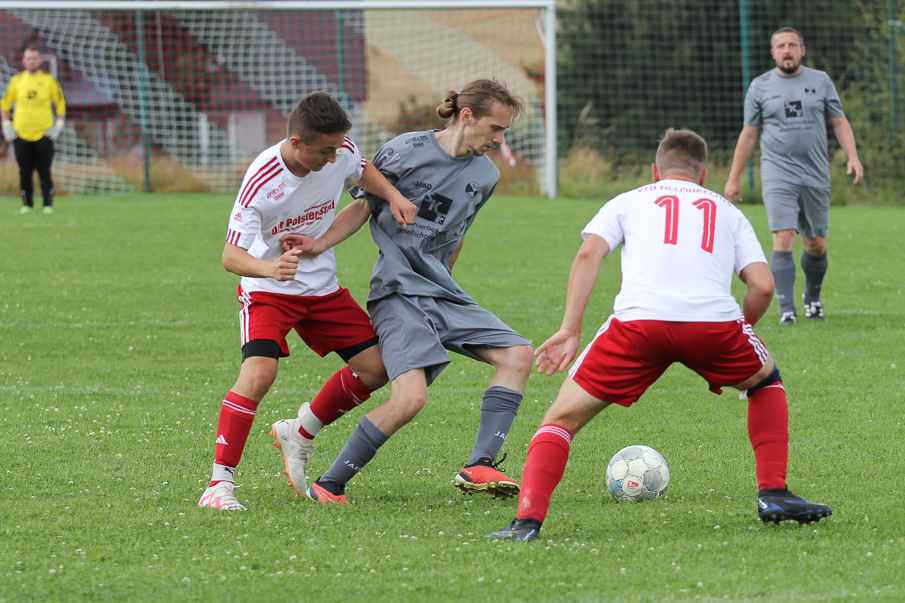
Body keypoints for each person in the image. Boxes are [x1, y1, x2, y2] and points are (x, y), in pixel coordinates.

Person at [488, 129, 832, 542]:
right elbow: (761, 286)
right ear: (703, 174)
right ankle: (773, 493)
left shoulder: (629, 200)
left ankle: (527, 523)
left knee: (561, 420)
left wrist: (569, 329)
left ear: (655, 171)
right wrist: (734, 336)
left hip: (637, 327)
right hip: (714, 325)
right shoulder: (728, 211)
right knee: (766, 382)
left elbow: (588, 254)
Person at [280, 79, 535, 504]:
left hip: (440, 291)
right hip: (398, 291)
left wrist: (446, 283)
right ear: (466, 116)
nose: (498, 139)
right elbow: (363, 204)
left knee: (518, 354)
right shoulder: (405, 150)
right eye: (495, 128)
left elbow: (458, 231)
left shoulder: (487, 175)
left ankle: (481, 464)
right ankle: (329, 485)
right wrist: (320, 243)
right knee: (410, 400)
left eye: (503, 132)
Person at [198, 91, 417, 511]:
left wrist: (392, 196)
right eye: (325, 151)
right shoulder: (262, 179)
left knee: (377, 368)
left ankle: (300, 431)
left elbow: (362, 171)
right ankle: (218, 485)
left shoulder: (341, 150)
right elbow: (230, 256)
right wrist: (270, 269)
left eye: (337, 148)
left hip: (321, 288)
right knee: (259, 374)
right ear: (297, 143)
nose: (334, 159)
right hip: (268, 291)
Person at [724, 27, 863, 325]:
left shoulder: (821, 81)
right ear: (773, 53)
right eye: (781, 46)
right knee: (783, 236)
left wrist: (853, 156)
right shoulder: (759, 86)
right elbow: (749, 135)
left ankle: (812, 299)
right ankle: (786, 308)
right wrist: (733, 177)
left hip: (815, 172)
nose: (787, 50)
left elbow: (839, 122)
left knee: (815, 244)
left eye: (792, 45)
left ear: (802, 50)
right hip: (777, 172)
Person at [1, 44, 66, 214]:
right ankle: (27, 205)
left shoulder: (49, 81)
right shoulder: (16, 81)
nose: (31, 61)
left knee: (44, 171)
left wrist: (59, 125)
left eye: (34, 58)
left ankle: (47, 205)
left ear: (40, 60)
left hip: (44, 133)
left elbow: (60, 103)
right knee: (24, 172)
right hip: (21, 133)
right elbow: (5, 104)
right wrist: (6, 124)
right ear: (24, 61)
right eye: (28, 58)